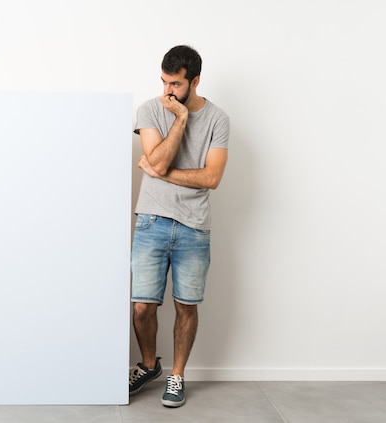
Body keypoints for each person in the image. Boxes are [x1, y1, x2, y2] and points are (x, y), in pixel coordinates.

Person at [129, 45, 230, 408]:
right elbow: (156, 157)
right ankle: (147, 364)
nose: (167, 91)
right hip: (151, 221)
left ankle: (176, 376)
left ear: (195, 81)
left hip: (193, 227)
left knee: (186, 305)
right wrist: (180, 121)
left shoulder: (219, 119)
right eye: (164, 81)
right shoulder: (150, 109)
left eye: (175, 83)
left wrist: (161, 171)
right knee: (142, 306)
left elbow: (212, 177)